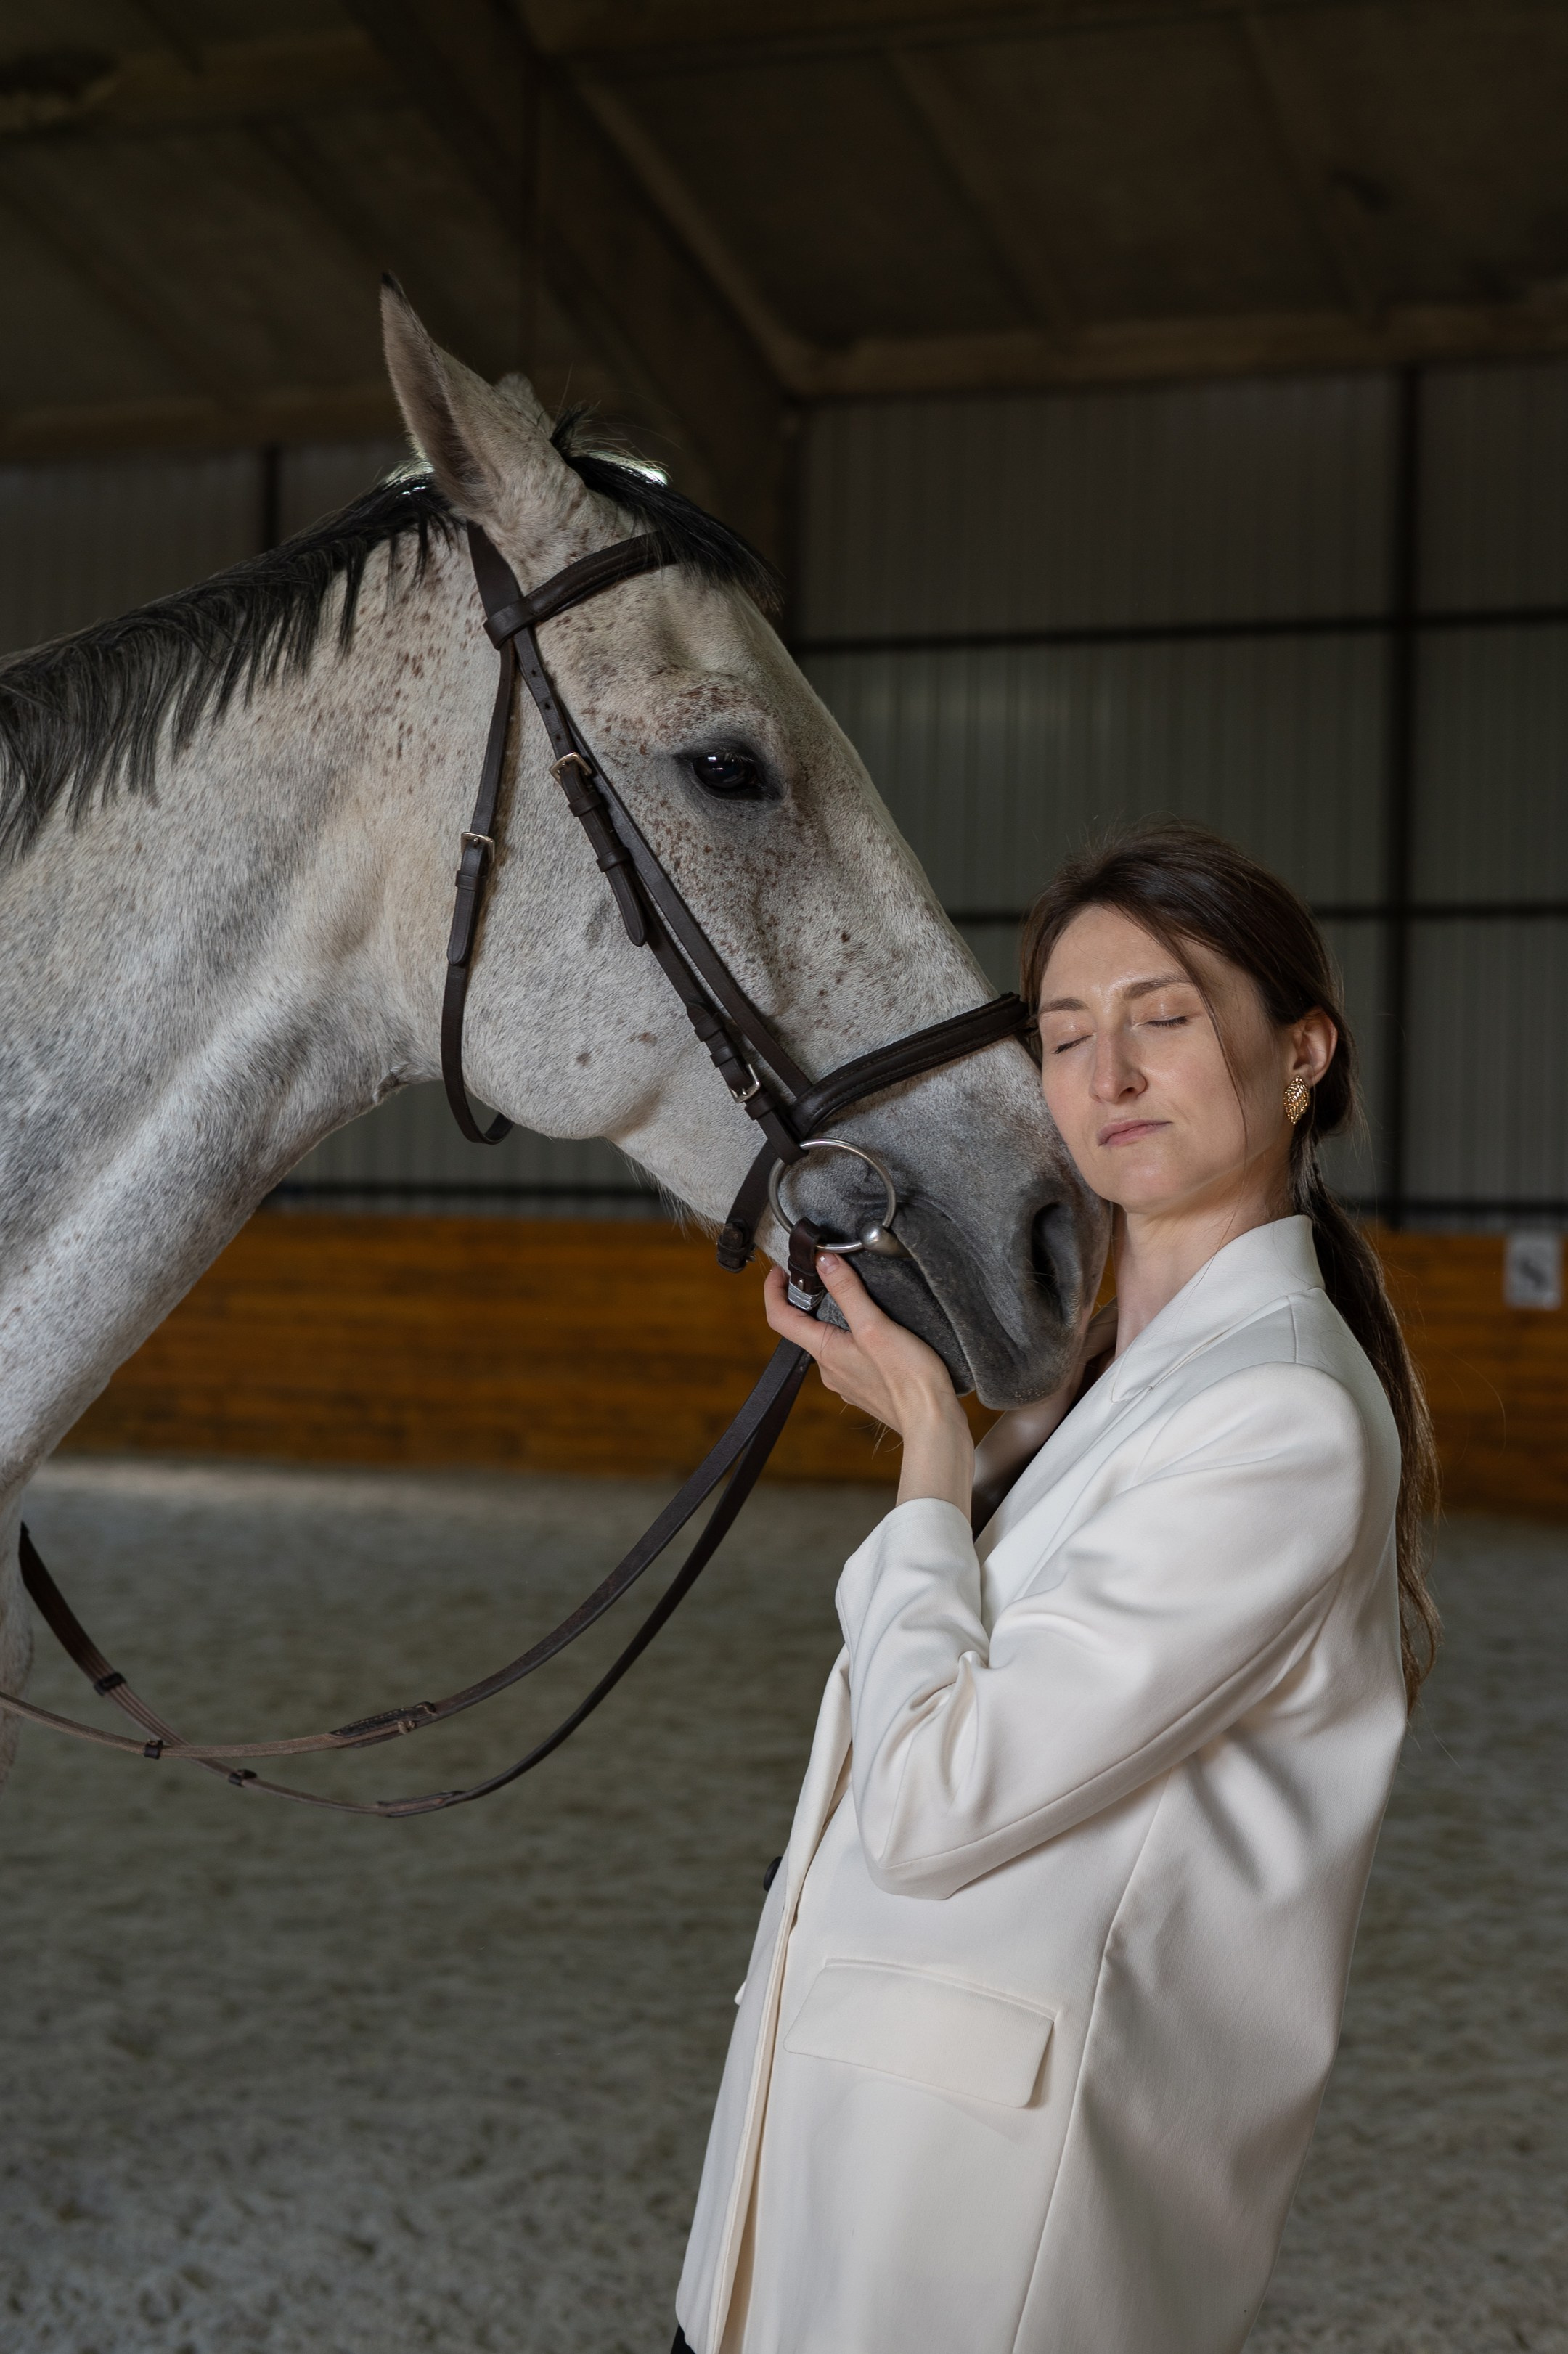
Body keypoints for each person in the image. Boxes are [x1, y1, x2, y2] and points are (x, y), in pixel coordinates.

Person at [671, 818, 1439, 2354]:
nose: (1110, 1075)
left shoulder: (1283, 1418)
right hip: (839, 2148)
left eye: (1165, 1018)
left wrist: (929, 1457)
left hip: (986, 2213)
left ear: (1301, 1055)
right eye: (1068, 1034)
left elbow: (935, 1801)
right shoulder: (1111, 1385)